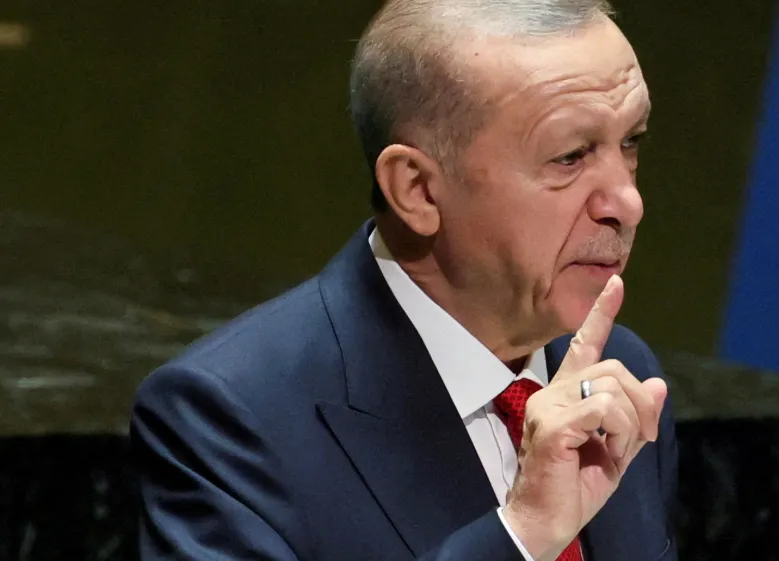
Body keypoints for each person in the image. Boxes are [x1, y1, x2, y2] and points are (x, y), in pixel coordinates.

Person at [129, 0, 679, 559]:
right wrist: (523, 534)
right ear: (417, 190)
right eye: (569, 156)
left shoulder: (621, 374)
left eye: (630, 141)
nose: (627, 203)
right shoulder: (232, 417)